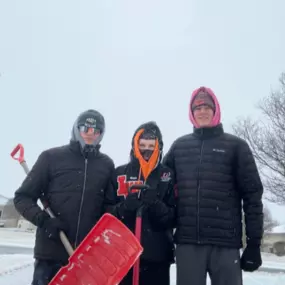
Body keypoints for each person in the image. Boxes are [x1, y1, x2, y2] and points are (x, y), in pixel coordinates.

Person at [163, 87, 264, 285]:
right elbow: (162, 190)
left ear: (216, 109)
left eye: (207, 106)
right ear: (191, 113)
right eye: (197, 107)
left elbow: (252, 197)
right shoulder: (179, 147)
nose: (202, 111)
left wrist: (254, 244)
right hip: (188, 243)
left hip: (225, 245)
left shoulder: (237, 147)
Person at [13, 109, 115, 285]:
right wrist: (44, 221)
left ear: (101, 134)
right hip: (50, 255)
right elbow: (22, 198)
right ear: (76, 129)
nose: (90, 134)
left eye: (96, 131)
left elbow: (108, 207)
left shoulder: (106, 165)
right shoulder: (51, 158)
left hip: (86, 258)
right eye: (85, 128)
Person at [107, 121, 176, 285]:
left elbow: (173, 217)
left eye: (151, 145)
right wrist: (124, 208)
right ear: (135, 145)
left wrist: (155, 205)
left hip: (157, 256)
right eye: (143, 144)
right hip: (123, 256)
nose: (147, 150)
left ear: (158, 147)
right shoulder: (119, 173)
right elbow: (106, 214)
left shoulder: (167, 175)